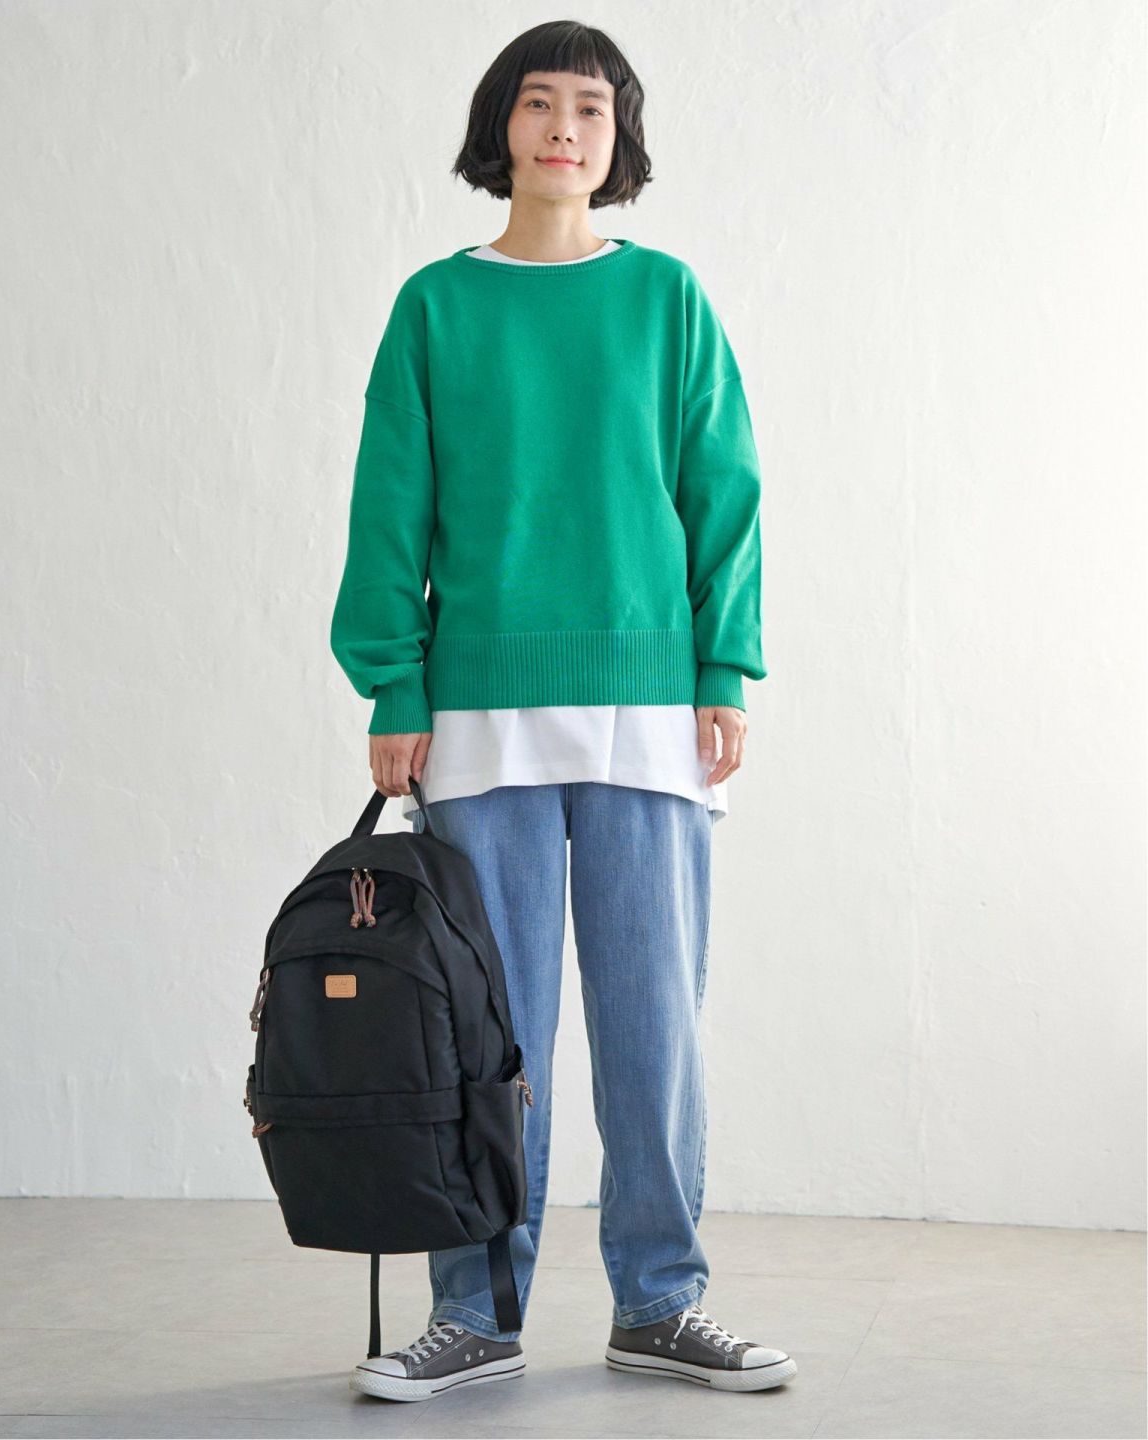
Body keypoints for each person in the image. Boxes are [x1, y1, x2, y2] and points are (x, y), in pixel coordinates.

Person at [330, 19, 796, 1404]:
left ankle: (661, 1301)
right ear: (503, 127)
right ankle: (475, 1312)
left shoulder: (667, 300)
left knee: (656, 1031)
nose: (563, 130)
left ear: (617, 139)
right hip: (479, 714)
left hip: (651, 710)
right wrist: (395, 681)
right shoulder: (436, 306)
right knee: (491, 1035)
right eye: (539, 104)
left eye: (591, 109)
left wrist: (724, 668)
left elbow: (723, 488)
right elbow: (389, 503)